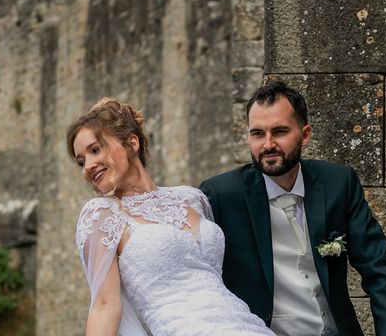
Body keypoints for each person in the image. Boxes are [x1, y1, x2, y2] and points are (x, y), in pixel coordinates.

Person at [199, 80, 386, 336]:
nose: (267, 144)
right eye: (257, 133)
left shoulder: (338, 184)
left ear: (305, 134)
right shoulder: (220, 196)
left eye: (279, 131)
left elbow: (380, 272)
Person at [69, 97, 275, 336]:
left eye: (95, 150)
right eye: (81, 161)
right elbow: (105, 305)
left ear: (132, 143)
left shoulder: (192, 198)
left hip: (246, 325)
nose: (88, 166)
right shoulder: (101, 215)